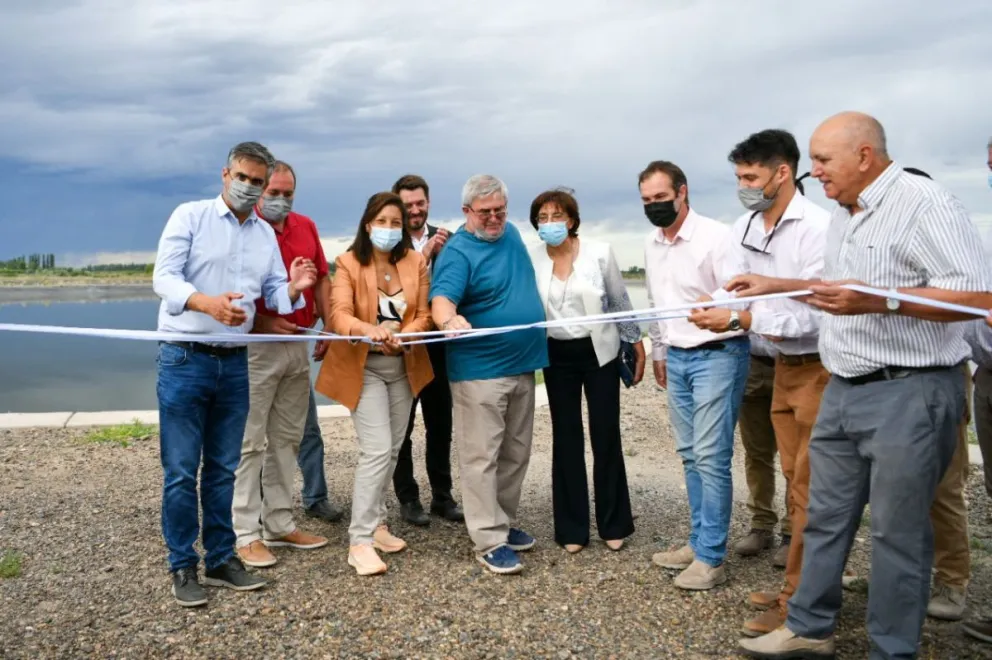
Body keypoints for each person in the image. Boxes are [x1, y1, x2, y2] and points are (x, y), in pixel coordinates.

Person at [736, 112, 992, 659]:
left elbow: (976, 298)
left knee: (897, 533)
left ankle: (891, 649)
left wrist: (880, 300)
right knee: (823, 517)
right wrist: (778, 283)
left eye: (823, 160)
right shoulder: (843, 213)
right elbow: (840, 289)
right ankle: (809, 627)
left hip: (910, 391)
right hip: (844, 387)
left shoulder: (926, 204)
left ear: (865, 156)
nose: (814, 172)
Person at [152, 141, 316, 607]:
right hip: (185, 357)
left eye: (257, 182)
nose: (249, 187)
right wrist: (206, 303)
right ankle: (182, 564)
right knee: (181, 471)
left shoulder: (263, 235)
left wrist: (295, 289)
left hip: (235, 361)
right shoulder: (190, 216)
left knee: (224, 468)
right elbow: (163, 279)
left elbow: (273, 295)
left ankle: (222, 559)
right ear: (225, 175)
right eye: (242, 177)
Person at [689, 129, 830, 636]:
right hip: (777, 366)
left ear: (782, 172)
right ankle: (801, 587)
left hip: (818, 367)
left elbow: (819, 314)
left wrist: (741, 321)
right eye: (739, 177)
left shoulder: (817, 228)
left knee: (811, 489)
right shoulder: (746, 225)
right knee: (793, 479)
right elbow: (734, 289)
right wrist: (712, 307)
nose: (743, 187)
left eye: (751, 177)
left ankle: (802, 604)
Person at [429, 174, 549, 575]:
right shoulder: (458, 252)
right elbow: (441, 299)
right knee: (481, 456)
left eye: (500, 210)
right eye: (485, 212)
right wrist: (449, 320)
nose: (494, 218)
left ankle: (503, 520)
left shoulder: (511, 234)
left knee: (515, 452)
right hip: (480, 371)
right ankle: (488, 539)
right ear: (467, 211)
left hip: (523, 365)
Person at [640, 160, 750, 591]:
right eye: (647, 200)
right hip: (679, 357)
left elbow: (740, 301)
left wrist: (720, 311)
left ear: (682, 192)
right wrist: (660, 351)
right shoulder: (651, 243)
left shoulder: (717, 237)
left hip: (718, 354)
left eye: (661, 198)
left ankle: (711, 558)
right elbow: (656, 303)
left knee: (711, 455)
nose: (654, 206)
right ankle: (698, 541)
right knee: (689, 454)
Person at [314, 192, 434, 576]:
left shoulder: (416, 262)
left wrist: (405, 336)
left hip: (404, 366)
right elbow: (338, 315)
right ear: (368, 225)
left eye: (395, 222)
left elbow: (425, 315)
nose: (389, 228)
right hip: (362, 367)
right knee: (377, 449)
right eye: (382, 221)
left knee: (393, 448)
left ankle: (379, 523)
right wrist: (370, 330)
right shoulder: (348, 262)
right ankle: (360, 541)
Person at [528, 187, 644, 553]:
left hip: (600, 352)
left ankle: (614, 524)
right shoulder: (531, 258)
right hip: (556, 354)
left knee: (605, 433)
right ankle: (572, 528)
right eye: (542, 218)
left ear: (572, 220)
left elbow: (620, 300)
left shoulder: (600, 252)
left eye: (556, 216)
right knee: (566, 437)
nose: (549, 223)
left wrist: (634, 340)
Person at [231, 160, 331, 568]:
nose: (281, 199)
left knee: (288, 437)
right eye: (273, 192)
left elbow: (322, 278)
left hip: (297, 346)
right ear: (259, 191)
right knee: (250, 442)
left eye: (288, 193)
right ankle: (245, 532)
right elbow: (233, 291)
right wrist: (262, 321)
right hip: (256, 348)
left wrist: (327, 326)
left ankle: (279, 522)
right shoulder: (244, 230)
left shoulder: (306, 227)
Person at [389, 174, 463, 526]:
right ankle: (408, 498)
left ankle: (442, 497)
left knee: (440, 423)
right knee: (401, 426)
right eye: (408, 205)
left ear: (428, 203)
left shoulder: (449, 239)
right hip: (404, 344)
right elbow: (392, 290)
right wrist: (424, 254)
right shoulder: (388, 242)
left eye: (420, 203)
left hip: (439, 345)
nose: (415, 210)